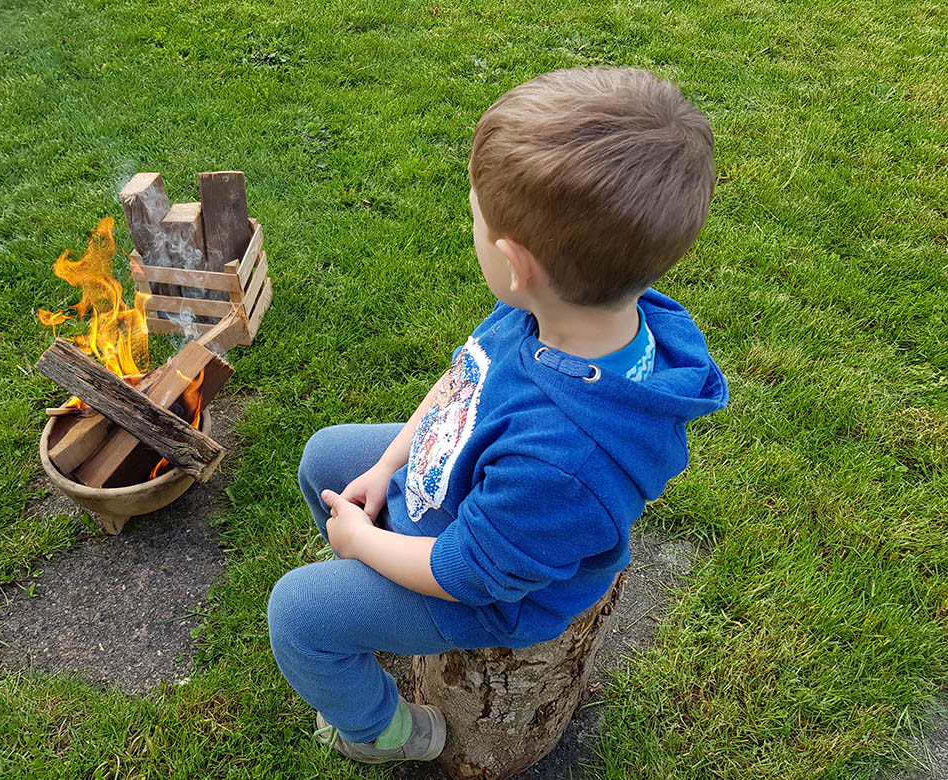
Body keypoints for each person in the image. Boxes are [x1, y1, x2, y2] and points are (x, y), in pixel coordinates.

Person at [267, 66, 729, 764]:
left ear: (516, 263)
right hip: (476, 484)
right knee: (328, 455)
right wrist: (391, 463)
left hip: (488, 591)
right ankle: (372, 584)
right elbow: (466, 377)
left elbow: (470, 571)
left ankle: (388, 732)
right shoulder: (557, 309)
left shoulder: (564, 462)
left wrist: (363, 544)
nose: (472, 226)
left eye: (476, 217)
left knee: (298, 615)